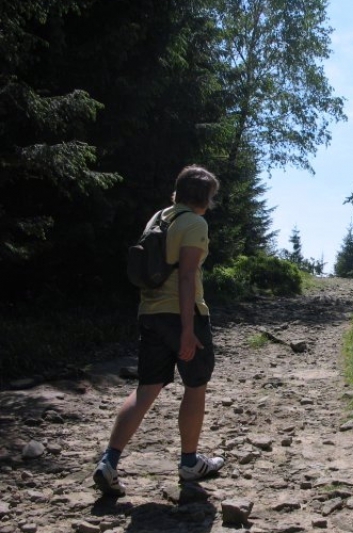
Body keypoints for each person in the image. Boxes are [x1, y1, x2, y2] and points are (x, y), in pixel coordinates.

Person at [93, 165, 224, 497]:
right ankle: (190, 462)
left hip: (149, 313)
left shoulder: (159, 217)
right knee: (195, 385)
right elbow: (185, 276)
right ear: (203, 197)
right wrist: (186, 329)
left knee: (146, 388)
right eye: (211, 196)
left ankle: (109, 461)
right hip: (184, 316)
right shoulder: (194, 223)